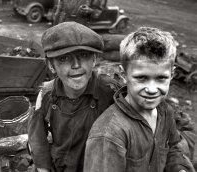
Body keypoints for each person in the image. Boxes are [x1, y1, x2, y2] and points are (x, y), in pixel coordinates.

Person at [84, 26, 195, 172]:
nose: (152, 89)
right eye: (141, 78)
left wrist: (179, 168)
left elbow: (172, 148)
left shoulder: (164, 111)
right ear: (123, 75)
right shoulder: (109, 134)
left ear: (172, 75)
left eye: (161, 78)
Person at [28, 21, 121, 172]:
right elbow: (37, 139)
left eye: (83, 55)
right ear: (51, 65)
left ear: (94, 59)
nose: (76, 65)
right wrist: (43, 168)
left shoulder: (111, 92)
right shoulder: (46, 94)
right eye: (64, 58)